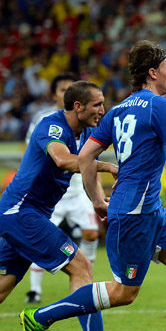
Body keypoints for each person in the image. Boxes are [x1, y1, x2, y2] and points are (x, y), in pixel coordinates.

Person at [18, 41, 166, 331]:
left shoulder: (118, 110)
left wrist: (96, 198)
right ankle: (40, 317)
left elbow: (86, 155)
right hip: (133, 213)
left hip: (149, 209)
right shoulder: (162, 107)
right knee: (123, 292)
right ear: (153, 72)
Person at [0, 81, 136, 331]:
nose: (102, 110)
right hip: (20, 212)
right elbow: (63, 160)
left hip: (30, 216)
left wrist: (98, 201)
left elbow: (86, 169)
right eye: (97, 105)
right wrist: (108, 166)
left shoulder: (88, 132)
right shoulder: (51, 126)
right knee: (81, 267)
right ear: (77, 106)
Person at [25, 72, 101, 304]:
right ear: (55, 94)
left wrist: (96, 193)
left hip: (78, 190)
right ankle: (35, 290)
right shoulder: (44, 120)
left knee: (91, 233)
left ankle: (86, 277)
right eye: (62, 90)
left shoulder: (87, 123)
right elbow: (39, 154)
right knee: (42, 239)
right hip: (52, 194)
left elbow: (91, 157)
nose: (66, 93)